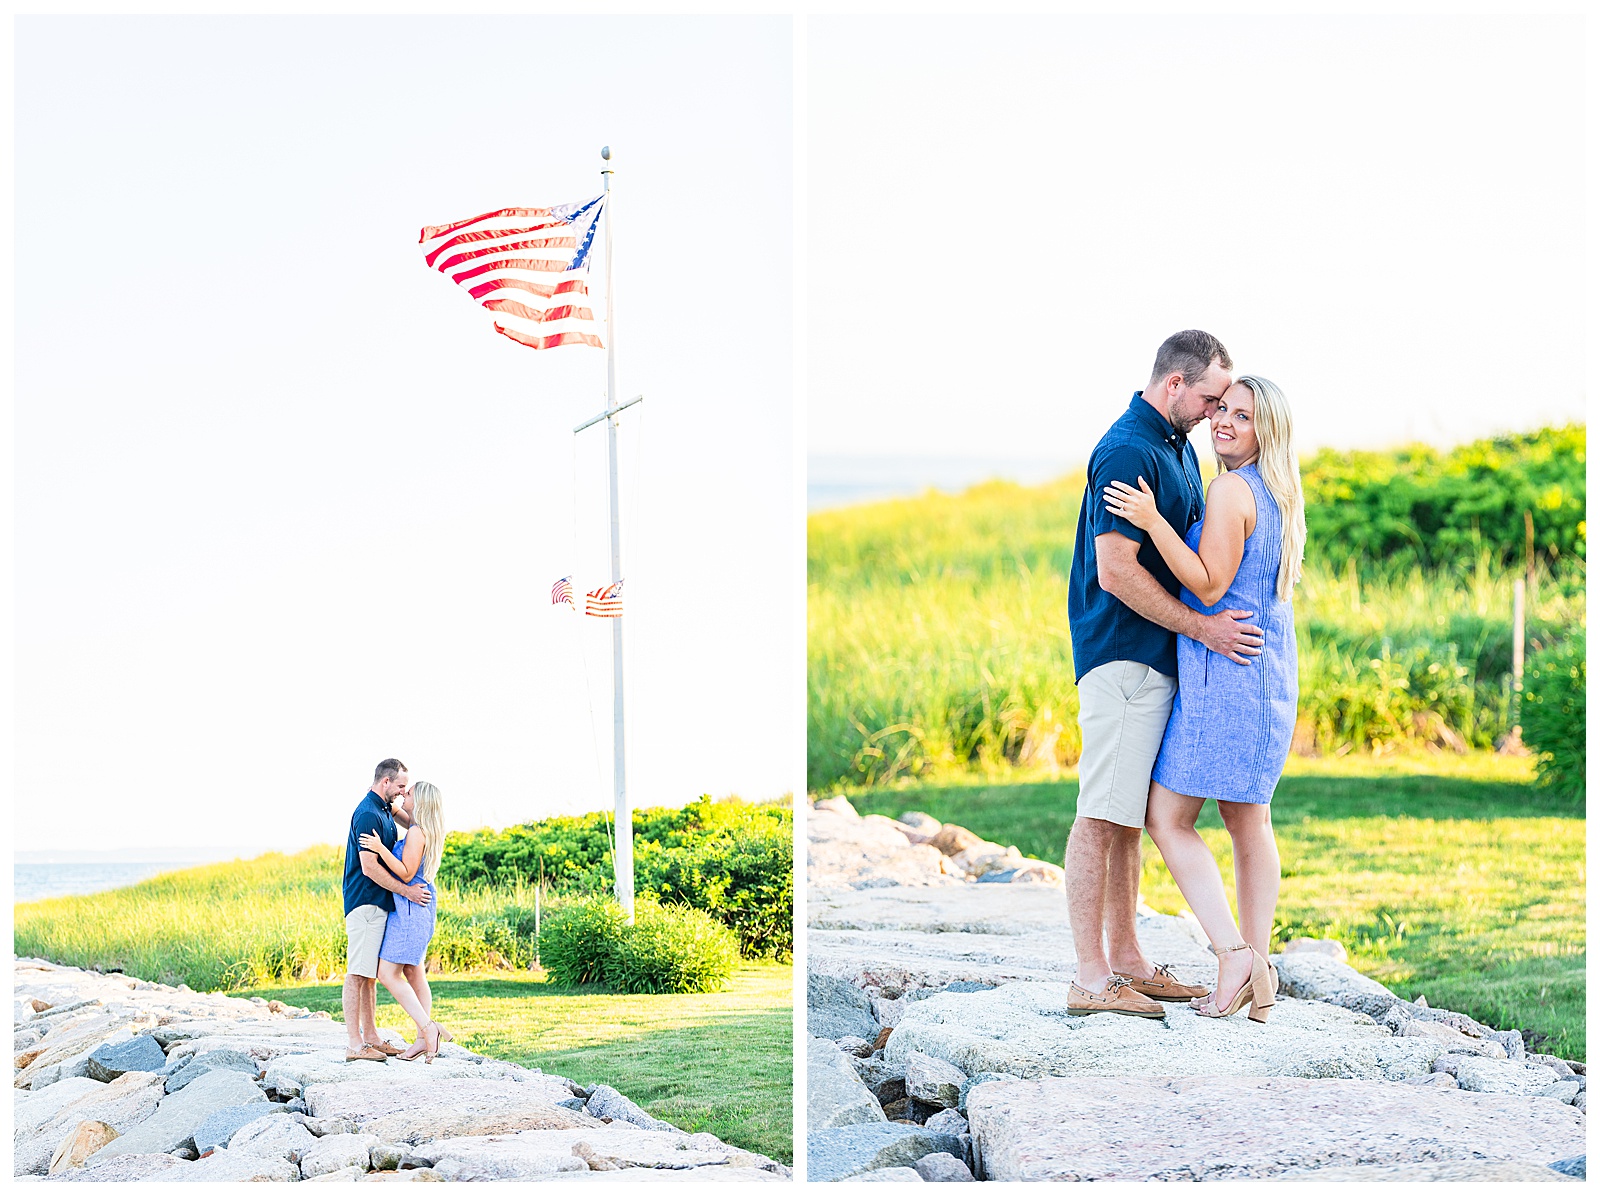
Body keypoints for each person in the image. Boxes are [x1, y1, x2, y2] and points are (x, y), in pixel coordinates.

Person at [1063, 330, 1265, 1019]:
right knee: (1100, 814)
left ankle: (1129, 961)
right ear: (1174, 385)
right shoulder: (1130, 449)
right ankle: (1092, 980)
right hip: (1122, 654)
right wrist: (1205, 628)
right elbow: (1115, 572)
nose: (1216, 414)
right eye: (1210, 398)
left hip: (1153, 657)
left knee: (1126, 817)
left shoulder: (1174, 445)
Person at [1103, 374, 1304, 1023]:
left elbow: (1210, 586)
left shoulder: (1228, 488)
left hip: (1225, 675)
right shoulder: (1279, 492)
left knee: (1167, 817)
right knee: (1250, 821)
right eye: (1221, 409)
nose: (1223, 422)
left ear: (1263, 431)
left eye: (1241, 417)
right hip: (1265, 671)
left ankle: (1232, 954)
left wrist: (1153, 521)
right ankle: (1261, 968)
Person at [342, 759, 431, 1062]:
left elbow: (417, 822)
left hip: (380, 903)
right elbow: (369, 867)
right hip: (365, 901)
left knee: (370, 975)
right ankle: (355, 1045)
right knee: (357, 973)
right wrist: (407, 890)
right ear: (385, 783)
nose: (404, 792)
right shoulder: (368, 814)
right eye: (401, 786)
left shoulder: (384, 809)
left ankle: (372, 1038)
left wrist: (416, 808)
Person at [359, 780, 454, 1062]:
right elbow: (396, 810)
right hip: (416, 908)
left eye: (409, 792)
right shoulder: (420, 825)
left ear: (420, 800)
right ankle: (421, 1041)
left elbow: (404, 871)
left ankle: (428, 1029)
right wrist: (383, 793)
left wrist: (379, 847)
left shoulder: (416, 833)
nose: (404, 794)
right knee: (414, 973)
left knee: (387, 974)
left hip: (410, 908)